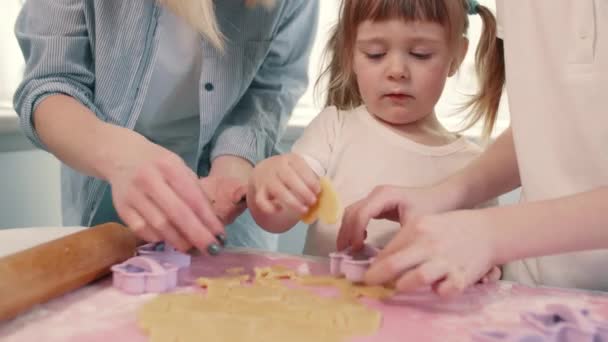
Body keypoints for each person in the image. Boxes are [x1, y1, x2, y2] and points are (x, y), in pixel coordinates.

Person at [341, 0, 608, 295]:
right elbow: (550, 130)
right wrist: (444, 195)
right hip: (533, 291)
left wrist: (494, 233)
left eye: (420, 54)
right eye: (376, 53)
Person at [13, 0, 318, 254]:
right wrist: (121, 156)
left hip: (231, 208)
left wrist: (233, 169)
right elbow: (50, 83)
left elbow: (270, 88)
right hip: (106, 177)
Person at [247, 0, 502, 261]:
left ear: (457, 56)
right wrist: (265, 182)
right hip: (327, 300)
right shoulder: (333, 130)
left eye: (421, 54)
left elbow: (487, 262)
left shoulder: (475, 168)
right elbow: (277, 217)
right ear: (350, 55)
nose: (397, 71)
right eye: (375, 53)